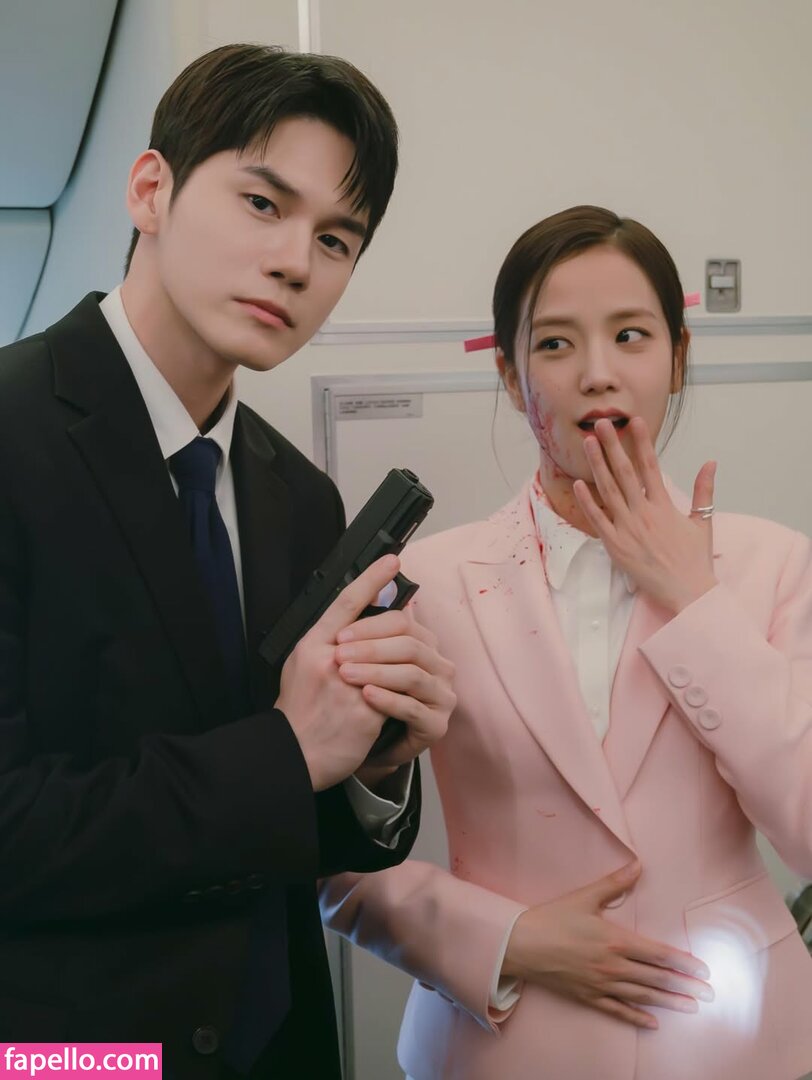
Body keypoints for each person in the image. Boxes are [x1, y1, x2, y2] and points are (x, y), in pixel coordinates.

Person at [0, 43, 456, 1080]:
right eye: (262, 203)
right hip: (73, 1055)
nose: (297, 262)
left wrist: (373, 768)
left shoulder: (301, 495)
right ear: (150, 191)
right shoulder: (13, 436)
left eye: (335, 239)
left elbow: (283, 827)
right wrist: (290, 749)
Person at [320, 205, 812, 1080]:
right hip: (498, 1045)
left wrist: (694, 602)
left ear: (678, 358)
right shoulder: (425, 581)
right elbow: (330, 858)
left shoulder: (774, 566)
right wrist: (505, 939)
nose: (597, 373)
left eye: (631, 335)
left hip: (737, 1043)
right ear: (511, 378)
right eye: (554, 344)